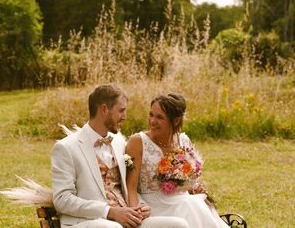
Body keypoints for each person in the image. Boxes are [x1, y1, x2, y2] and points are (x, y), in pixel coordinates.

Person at [51, 83, 189, 228]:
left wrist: (141, 206)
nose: (125, 117)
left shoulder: (119, 142)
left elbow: (128, 187)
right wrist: (110, 211)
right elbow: (62, 199)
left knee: (178, 224)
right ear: (104, 109)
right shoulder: (66, 148)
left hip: (125, 219)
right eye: (121, 111)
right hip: (87, 222)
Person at [125, 93, 229, 228]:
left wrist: (195, 187)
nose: (152, 121)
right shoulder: (138, 142)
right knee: (191, 204)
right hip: (153, 204)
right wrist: (136, 212)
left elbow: (191, 179)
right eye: (151, 115)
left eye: (159, 117)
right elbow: (130, 187)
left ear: (175, 121)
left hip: (181, 199)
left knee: (193, 203)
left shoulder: (183, 141)